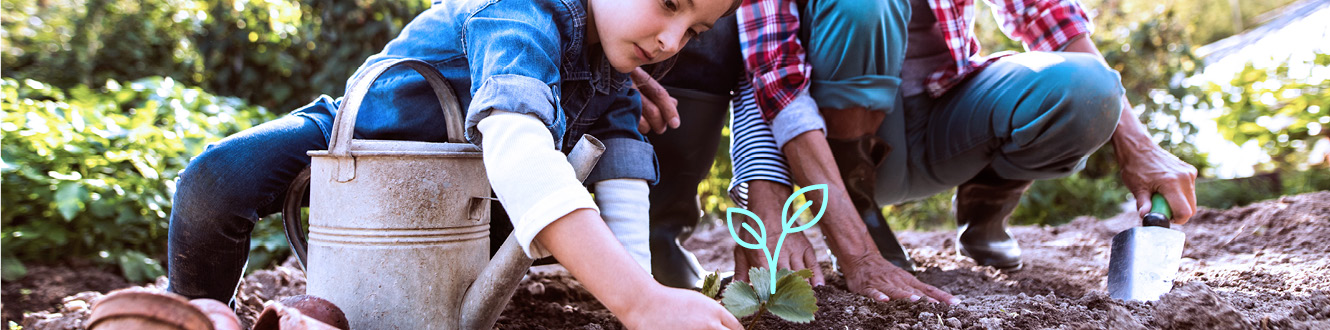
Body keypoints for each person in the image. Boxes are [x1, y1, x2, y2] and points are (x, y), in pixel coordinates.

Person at [164, 0, 745, 328]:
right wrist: (640, 303)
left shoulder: (614, 64)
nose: (671, 41)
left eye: (694, 30)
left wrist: (640, 296)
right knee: (216, 179)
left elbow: (620, 172)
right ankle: (193, 314)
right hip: (361, 136)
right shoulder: (520, 16)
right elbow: (516, 143)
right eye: (669, 4)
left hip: (460, 194)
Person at [723, 0, 1198, 305]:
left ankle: (985, 208)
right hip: (833, 146)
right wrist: (856, 255)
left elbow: (1048, 14)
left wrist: (1139, 146)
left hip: (948, 117)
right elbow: (772, 78)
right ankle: (862, 213)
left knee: (1088, 88)